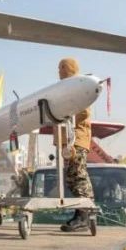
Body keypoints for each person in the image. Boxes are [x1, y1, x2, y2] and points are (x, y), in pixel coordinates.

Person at [54, 58, 95, 233]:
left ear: (68, 69)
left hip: (76, 140)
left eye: (61, 68)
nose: (58, 72)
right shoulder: (67, 89)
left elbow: (81, 112)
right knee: (72, 178)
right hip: (69, 141)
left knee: (77, 175)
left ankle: (84, 216)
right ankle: (83, 214)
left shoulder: (79, 88)